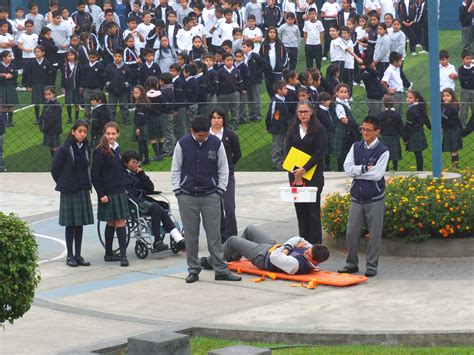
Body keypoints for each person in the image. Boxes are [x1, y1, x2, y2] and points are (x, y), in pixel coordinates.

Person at [171, 114, 241, 284]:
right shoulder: (182, 144)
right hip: (187, 196)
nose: (203, 138)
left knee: (214, 235)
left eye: (206, 135)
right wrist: (178, 191)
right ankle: (193, 270)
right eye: (200, 135)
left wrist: (219, 190)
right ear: (192, 131)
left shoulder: (216, 144)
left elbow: (224, 168)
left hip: (211, 195)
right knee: (191, 236)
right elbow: (176, 168)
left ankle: (220, 269)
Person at [338, 116, 389, 278]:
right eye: (363, 129)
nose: (365, 132)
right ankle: (351, 264)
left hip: (375, 198)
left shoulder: (383, 151)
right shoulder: (356, 147)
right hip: (357, 198)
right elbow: (347, 168)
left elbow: (377, 175)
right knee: (351, 233)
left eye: (368, 130)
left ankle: (372, 265)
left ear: (377, 132)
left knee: (374, 234)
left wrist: (357, 171)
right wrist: (364, 168)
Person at [122, 150, 186, 251]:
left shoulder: (138, 173)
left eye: (137, 162)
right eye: (133, 162)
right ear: (126, 163)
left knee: (163, 206)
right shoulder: (123, 175)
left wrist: (142, 174)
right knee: (156, 207)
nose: (136, 165)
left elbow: (150, 188)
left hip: (143, 200)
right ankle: (165, 239)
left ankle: (175, 239)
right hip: (133, 202)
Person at [202, 225, 330, 275]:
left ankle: (209, 261)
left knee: (232, 240)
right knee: (250, 229)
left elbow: (275, 257)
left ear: (314, 261)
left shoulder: (296, 265)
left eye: (308, 253)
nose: (306, 250)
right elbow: (297, 238)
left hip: (263, 257)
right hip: (273, 247)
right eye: (309, 249)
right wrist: (287, 248)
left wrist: (286, 249)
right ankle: (233, 255)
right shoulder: (312, 250)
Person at [51, 120, 94, 267]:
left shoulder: (86, 148)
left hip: (82, 189)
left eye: (85, 132)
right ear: (73, 132)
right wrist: (65, 182)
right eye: (80, 131)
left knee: (79, 223)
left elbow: (88, 167)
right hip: (69, 190)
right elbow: (55, 170)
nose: (83, 134)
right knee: (70, 224)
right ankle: (70, 256)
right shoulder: (64, 149)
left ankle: (78, 254)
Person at [285, 100, 326, 244]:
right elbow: (288, 151)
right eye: (300, 112)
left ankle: (315, 245)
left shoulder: (319, 130)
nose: (303, 115)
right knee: (300, 211)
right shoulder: (292, 129)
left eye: (305, 111)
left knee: (313, 212)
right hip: (296, 176)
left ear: (311, 112)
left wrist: (305, 169)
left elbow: (319, 153)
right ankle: (303, 242)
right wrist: (295, 172)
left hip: (313, 175)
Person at [92, 121, 131, 267]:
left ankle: (118, 254)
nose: (110, 136)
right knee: (112, 222)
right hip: (108, 192)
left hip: (119, 190)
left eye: (113, 133)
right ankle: (114, 254)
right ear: (104, 133)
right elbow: (95, 175)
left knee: (119, 221)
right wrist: (101, 194)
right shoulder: (100, 150)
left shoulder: (117, 148)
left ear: (118, 134)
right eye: (108, 133)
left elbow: (119, 170)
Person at [209, 109, 241, 242]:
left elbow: (237, 154)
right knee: (216, 207)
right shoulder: (206, 136)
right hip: (210, 177)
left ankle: (232, 236)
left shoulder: (230, 135)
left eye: (219, 118)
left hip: (227, 176)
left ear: (224, 119)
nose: (216, 121)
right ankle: (221, 235)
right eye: (214, 118)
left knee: (229, 206)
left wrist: (227, 167)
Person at [377, 95, 407, 171]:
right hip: (394, 138)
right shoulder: (397, 115)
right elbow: (401, 127)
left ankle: (385, 171)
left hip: (384, 138)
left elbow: (377, 126)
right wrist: (405, 138)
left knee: (385, 157)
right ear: (394, 103)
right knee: (394, 158)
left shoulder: (381, 115)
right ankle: (395, 171)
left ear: (384, 104)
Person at [405, 90, 431, 171]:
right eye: (407, 97)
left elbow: (408, 125)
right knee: (418, 153)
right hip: (420, 132)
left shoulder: (411, 110)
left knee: (418, 154)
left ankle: (420, 170)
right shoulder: (420, 107)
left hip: (414, 134)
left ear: (416, 99)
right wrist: (432, 128)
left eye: (410, 98)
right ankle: (420, 170)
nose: (408, 99)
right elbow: (426, 120)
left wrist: (405, 137)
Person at [266, 80, 289, 171]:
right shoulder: (275, 101)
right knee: (277, 146)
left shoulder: (283, 99)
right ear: (279, 91)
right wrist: (270, 126)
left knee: (284, 144)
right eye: (285, 89)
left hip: (284, 127)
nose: (287, 90)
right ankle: (277, 164)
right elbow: (271, 115)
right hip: (277, 129)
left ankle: (282, 161)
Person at [441, 88, 463, 168]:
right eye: (444, 96)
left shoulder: (453, 106)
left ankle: (455, 167)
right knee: (452, 150)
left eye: (448, 95)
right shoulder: (444, 106)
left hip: (454, 130)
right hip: (448, 130)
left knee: (454, 150)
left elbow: (443, 118)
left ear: (452, 97)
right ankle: (454, 166)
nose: (445, 97)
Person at [39, 86, 62, 158]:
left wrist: (45, 127)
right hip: (48, 130)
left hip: (54, 130)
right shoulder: (46, 103)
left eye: (49, 94)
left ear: (54, 94)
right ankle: (54, 163)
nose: (47, 96)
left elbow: (55, 119)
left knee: (55, 148)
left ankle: (58, 164)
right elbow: (43, 115)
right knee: (51, 147)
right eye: (46, 94)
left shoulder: (56, 105)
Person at [61, 48, 82, 123]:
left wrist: (81, 86)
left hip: (76, 87)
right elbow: (62, 77)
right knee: (68, 103)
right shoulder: (65, 66)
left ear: (75, 56)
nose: (70, 56)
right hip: (68, 87)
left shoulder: (78, 65)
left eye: (72, 55)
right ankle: (69, 117)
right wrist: (62, 87)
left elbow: (81, 76)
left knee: (76, 103)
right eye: (68, 55)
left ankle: (77, 117)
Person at [0, 51, 18, 127]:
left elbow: (16, 74)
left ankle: (10, 121)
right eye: (9, 56)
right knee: (3, 105)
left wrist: (12, 76)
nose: (11, 58)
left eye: (11, 56)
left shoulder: (13, 66)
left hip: (11, 87)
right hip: (2, 87)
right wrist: (3, 75)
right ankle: (4, 121)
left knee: (10, 105)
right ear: (4, 58)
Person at [458, 50, 474, 129]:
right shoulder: (460, 69)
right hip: (464, 91)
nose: (469, 61)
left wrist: (468, 80)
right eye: (467, 59)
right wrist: (471, 78)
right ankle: (462, 125)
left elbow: (466, 80)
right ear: (462, 60)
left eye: (470, 59)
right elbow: (462, 80)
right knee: (464, 108)